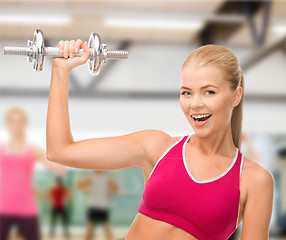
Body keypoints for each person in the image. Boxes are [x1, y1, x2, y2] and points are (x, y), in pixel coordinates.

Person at [46, 40, 274, 240]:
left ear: (236, 95)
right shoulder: (156, 147)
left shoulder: (254, 181)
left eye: (209, 92)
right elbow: (60, 151)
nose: (195, 104)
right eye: (186, 92)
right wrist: (60, 71)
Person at [0, 107, 65, 240]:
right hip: (3, 207)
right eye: (13, 122)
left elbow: (59, 169)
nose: (16, 125)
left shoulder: (33, 150)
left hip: (26, 208)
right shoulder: (1, 150)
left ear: (25, 124)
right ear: (7, 124)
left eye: (20, 122)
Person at [77, 170, 118, 240]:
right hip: (103, 206)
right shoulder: (107, 179)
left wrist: (81, 174)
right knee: (106, 227)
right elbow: (115, 188)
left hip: (93, 206)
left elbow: (79, 185)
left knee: (90, 227)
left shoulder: (90, 178)